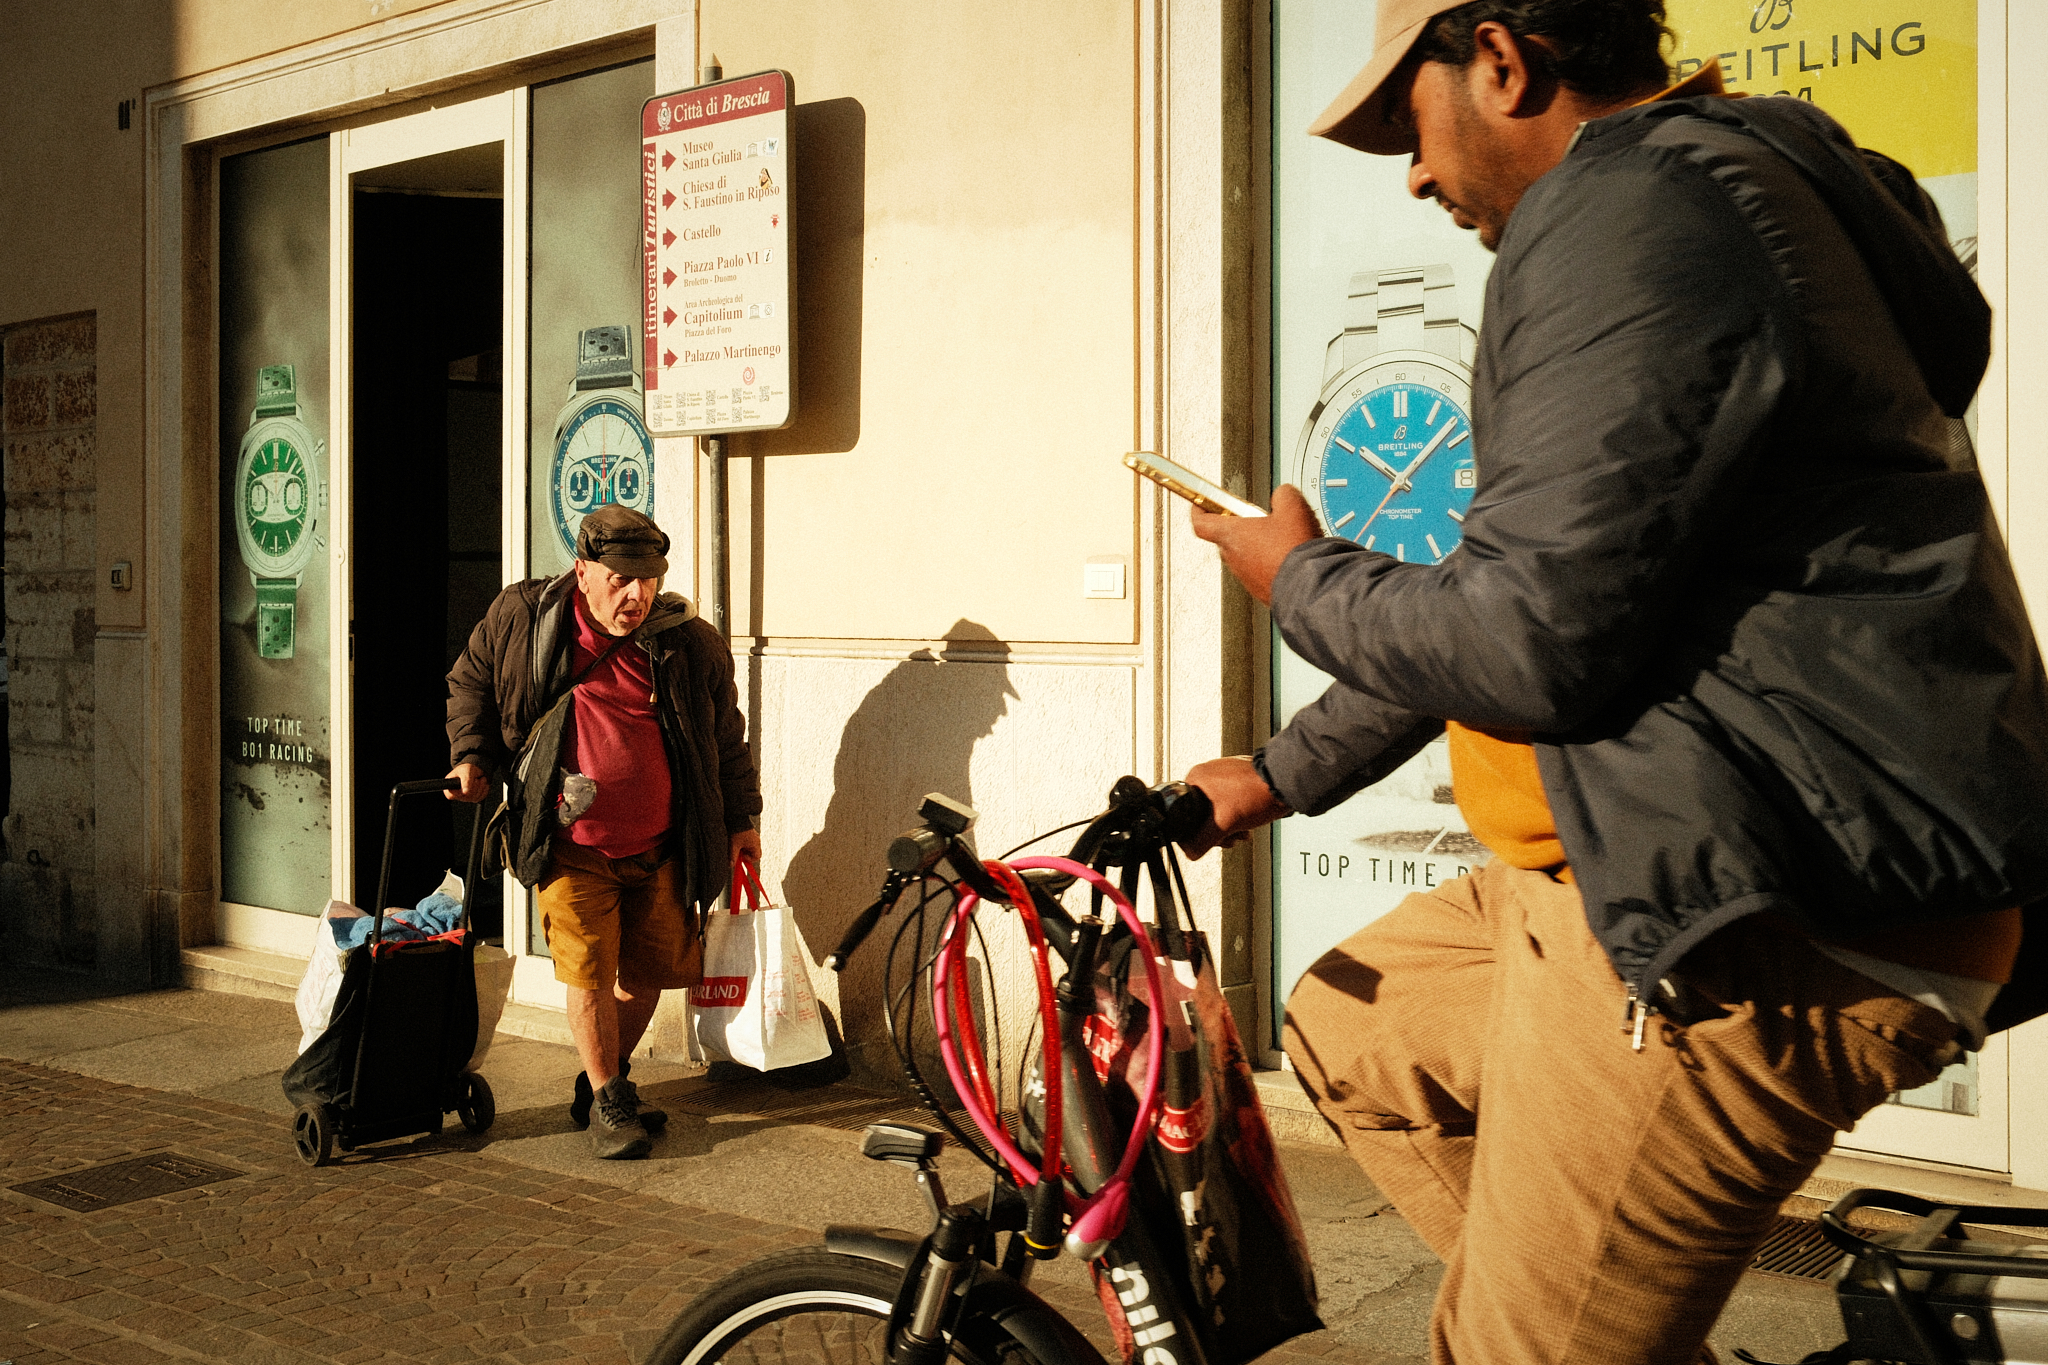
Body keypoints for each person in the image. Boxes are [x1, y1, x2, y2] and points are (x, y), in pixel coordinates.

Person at [1182, 1, 2048, 1360]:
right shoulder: (1701, 202)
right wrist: (1276, 773)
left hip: (1740, 915)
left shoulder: (1627, 210)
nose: (1411, 176)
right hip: (1629, 864)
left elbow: (1523, 642)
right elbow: (1545, 582)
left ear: (1501, 60)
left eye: (1408, 124)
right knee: (1357, 1025)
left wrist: (1297, 579)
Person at [446, 505, 762, 1160]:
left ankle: (603, 1081)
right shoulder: (526, 618)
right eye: (620, 580)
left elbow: (726, 737)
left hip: (663, 844)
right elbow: (471, 681)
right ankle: (610, 1099)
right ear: (584, 570)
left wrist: (742, 820)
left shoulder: (687, 641)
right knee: (588, 970)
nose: (636, 595)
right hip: (570, 841)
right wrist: (471, 755)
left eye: (648, 580)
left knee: (650, 972)